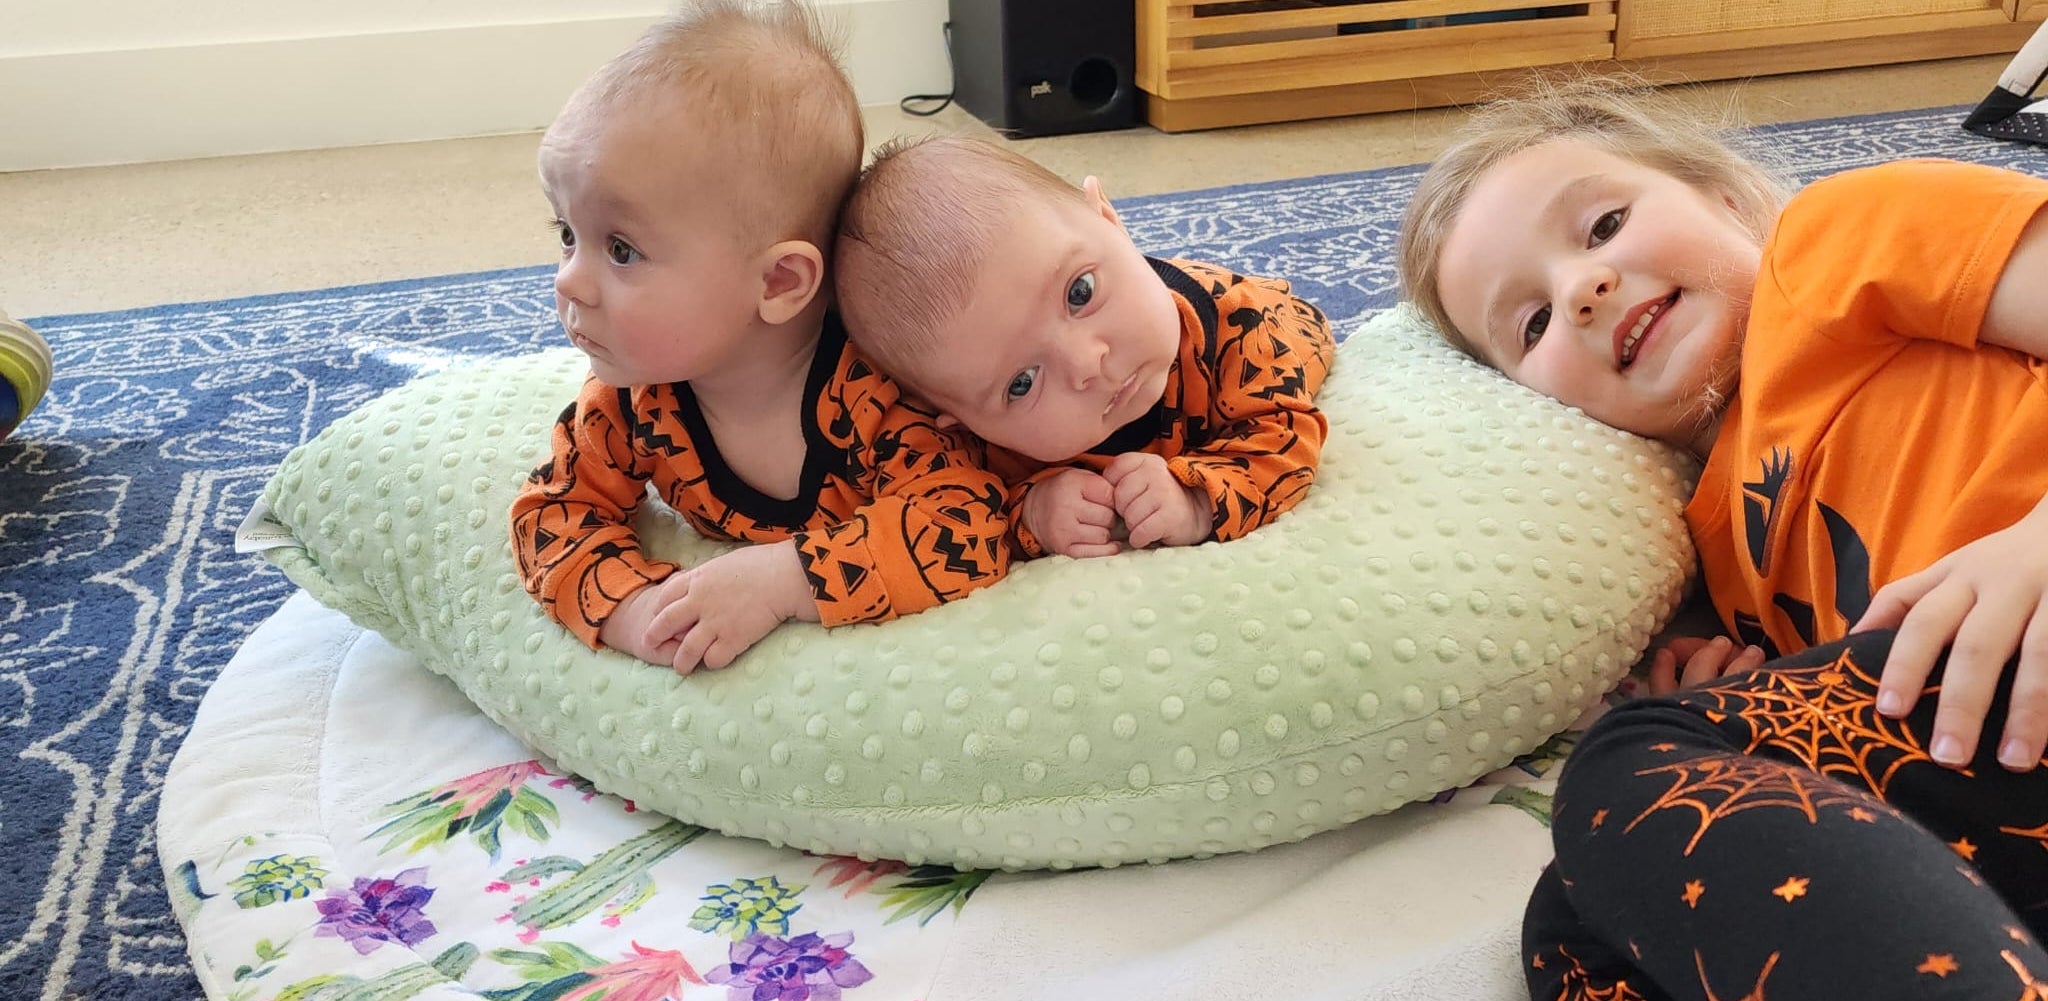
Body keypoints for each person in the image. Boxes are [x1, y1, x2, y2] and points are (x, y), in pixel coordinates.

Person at [1398, 79, 2048, 998]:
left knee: (1627, 765)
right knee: (1578, 920)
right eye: (1534, 323)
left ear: (1730, 196)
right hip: (1989, 761)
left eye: (1603, 226)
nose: (1582, 289)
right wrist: (1760, 729)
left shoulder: (1833, 241)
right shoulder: (1713, 552)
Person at [509, 2, 1010, 676]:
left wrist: (785, 579)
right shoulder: (635, 401)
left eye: (621, 249)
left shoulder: (876, 393)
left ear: (778, 281)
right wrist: (633, 610)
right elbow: (554, 512)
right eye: (567, 235)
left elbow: (966, 525)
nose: (570, 282)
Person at [833, 135, 1335, 560]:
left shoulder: (1244, 331)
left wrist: (1197, 500)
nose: (1086, 364)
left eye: (1080, 293)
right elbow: (973, 511)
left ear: (1109, 218)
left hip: (1272, 319)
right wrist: (1033, 510)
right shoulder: (989, 439)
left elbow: (1285, 438)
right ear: (962, 421)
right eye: (1022, 383)